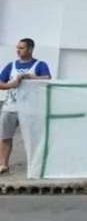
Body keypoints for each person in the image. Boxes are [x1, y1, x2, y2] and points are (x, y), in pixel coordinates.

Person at [0, 38, 53, 175]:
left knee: (33, 138)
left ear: (30, 49)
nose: (18, 50)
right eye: (17, 47)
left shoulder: (39, 65)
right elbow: (0, 82)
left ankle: (35, 167)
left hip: (31, 108)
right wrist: (10, 85)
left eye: (21, 48)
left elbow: (47, 79)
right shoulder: (11, 65)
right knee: (5, 137)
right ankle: (3, 165)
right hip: (10, 107)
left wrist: (30, 77)